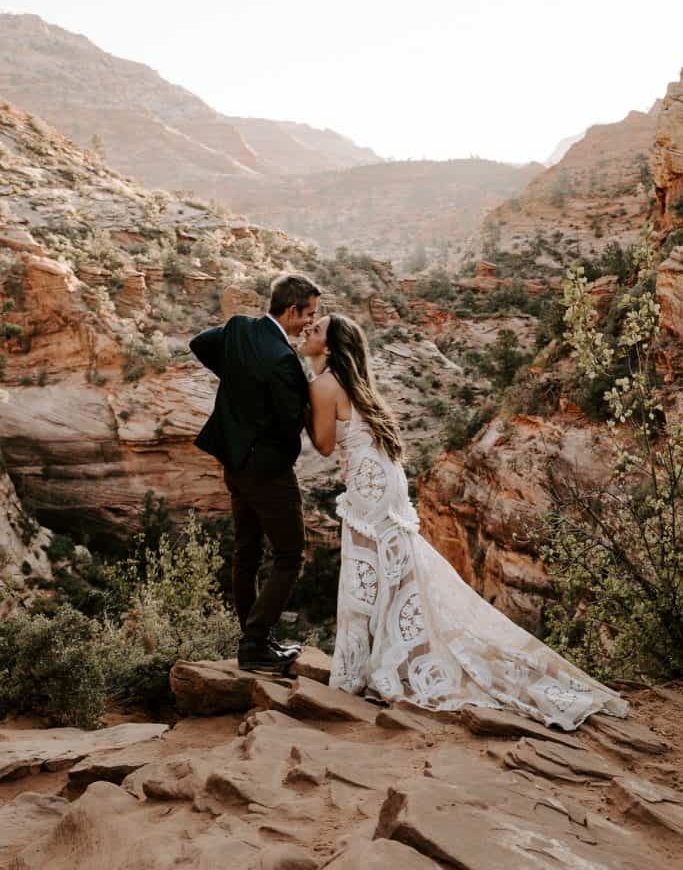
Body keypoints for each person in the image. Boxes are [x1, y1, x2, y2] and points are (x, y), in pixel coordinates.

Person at [300, 312, 629, 730]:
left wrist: (302, 405)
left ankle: (366, 669)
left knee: (366, 569)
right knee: (395, 570)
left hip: (366, 485)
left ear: (329, 347)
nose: (308, 331)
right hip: (384, 480)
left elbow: (325, 446)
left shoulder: (324, 385)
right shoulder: (354, 382)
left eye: (316, 330)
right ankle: (399, 658)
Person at [190, 273, 321, 672]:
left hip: (234, 463)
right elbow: (288, 423)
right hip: (267, 472)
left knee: (246, 552)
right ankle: (255, 641)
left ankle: (252, 639)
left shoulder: (239, 329)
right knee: (289, 555)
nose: (311, 322)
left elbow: (199, 344)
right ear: (292, 309)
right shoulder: (283, 359)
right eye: (309, 314)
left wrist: (235, 377)